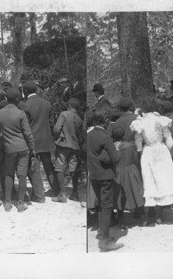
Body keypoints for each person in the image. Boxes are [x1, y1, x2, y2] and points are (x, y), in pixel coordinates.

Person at [130, 98, 173, 225]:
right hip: (161, 150)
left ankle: (158, 216)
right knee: (168, 179)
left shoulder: (140, 122)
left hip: (148, 152)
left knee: (152, 181)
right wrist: (165, 149)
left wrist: (142, 150)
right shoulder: (160, 120)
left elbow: (138, 140)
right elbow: (168, 138)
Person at [0, 88, 36, 212]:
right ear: (17, 100)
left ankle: (7, 202)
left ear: (6, 99)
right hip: (23, 148)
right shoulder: (21, 114)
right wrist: (33, 149)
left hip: (9, 148)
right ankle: (21, 203)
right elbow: (28, 134)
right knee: (22, 175)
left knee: (9, 174)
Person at [87, 109, 123, 251]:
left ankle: (103, 234)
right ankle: (105, 242)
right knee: (107, 206)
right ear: (107, 121)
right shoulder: (105, 137)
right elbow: (114, 159)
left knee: (101, 205)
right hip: (106, 176)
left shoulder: (89, 134)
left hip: (94, 175)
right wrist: (118, 150)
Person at [20, 81, 53, 202]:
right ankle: (56, 190)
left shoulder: (25, 105)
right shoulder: (47, 103)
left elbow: (25, 126)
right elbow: (51, 123)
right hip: (46, 140)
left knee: (33, 167)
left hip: (32, 140)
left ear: (25, 91)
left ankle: (39, 195)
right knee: (49, 166)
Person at [111, 126, 145, 229]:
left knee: (119, 195)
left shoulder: (112, 147)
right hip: (131, 170)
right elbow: (135, 159)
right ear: (124, 135)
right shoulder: (130, 146)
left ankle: (122, 222)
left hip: (118, 172)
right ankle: (142, 218)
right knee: (137, 193)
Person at [52, 98, 84, 203]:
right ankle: (75, 193)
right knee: (73, 169)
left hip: (63, 144)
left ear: (69, 105)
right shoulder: (79, 119)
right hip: (75, 146)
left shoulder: (64, 114)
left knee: (60, 167)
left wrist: (57, 137)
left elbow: (57, 129)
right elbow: (81, 135)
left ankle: (62, 194)